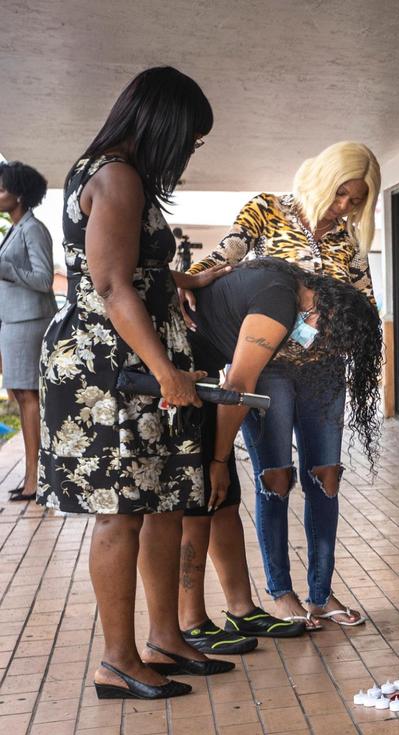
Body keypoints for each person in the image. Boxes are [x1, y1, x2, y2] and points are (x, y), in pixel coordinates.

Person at [38, 67, 232, 699]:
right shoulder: (115, 176)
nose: (189, 152)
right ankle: (118, 660)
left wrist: (186, 287)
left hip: (141, 364)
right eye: (191, 140)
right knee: (121, 511)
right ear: (164, 125)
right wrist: (167, 369)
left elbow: (137, 272)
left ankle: (166, 636)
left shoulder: (119, 177)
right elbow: (111, 285)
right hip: (112, 369)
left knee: (165, 500)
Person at [184, 141, 380, 629]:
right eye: (341, 195)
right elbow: (227, 255)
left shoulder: (347, 242)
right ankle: (280, 591)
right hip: (268, 366)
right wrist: (186, 282)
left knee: (327, 476)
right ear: (323, 180)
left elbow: (365, 304)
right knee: (275, 477)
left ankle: (321, 593)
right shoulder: (268, 210)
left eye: (356, 200)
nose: (345, 207)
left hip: (327, 371)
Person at [0, 161, 58, 501]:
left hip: (29, 322)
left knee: (30, 397)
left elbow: (44, 279)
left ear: (20, 195)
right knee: (23, 397)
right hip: (14, 322)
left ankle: (36, 479)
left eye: (3, 188)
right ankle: (31, 476)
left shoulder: (33, 228)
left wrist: (5, 268)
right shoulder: (15, 228)